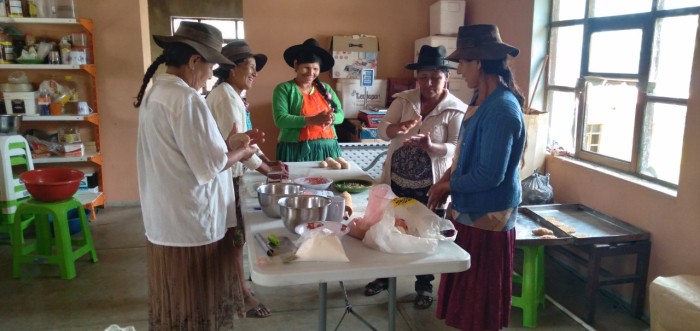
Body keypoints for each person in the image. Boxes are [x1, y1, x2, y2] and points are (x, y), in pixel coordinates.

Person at [133, 21, 264, 330]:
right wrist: (240, 154)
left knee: (178, 301)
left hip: (168, 214)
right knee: (196, 299)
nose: (210, 75)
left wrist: (229, 144)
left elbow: (191, 152)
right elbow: (209, 166)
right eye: (209, 66)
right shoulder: (186, 99)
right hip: (191, 218)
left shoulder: (158, 93)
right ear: (194, 61)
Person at [426, 24, 526, 331]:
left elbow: (489, 175)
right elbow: (462, 151)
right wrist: (446, 176)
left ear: (478, 62)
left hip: (489, 213)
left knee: (479, 301)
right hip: (470, 207)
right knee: (466, 292)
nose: (460, 72)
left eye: (462, 64)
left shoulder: (502, 110)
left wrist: (447, 185)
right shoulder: (478, 99)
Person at [363, 45, 467, 310]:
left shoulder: (456, 109)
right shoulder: (404, 100)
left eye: (435, 78)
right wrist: (396, 128)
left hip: (431, 186)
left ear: (447, 78)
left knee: (426, 233)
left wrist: (433, 148)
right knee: (389, 226)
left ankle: (424, 286)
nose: (428, 83)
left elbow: (456, 146)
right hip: (398, 182)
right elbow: (383, 130)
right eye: (423, 78)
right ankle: (385, 277)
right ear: (416, 78)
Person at [206, 40, 287, 318]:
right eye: (250, 67)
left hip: (232, 179)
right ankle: (240, 293)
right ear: (231, 69)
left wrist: (267, 160)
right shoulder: (225, 97)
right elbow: (237, 146)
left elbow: (247, 136)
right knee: (233, 238)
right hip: (224, 179)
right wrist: (266, 170)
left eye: (255, 68)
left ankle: (236, 285)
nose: (254, 73)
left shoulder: (233, 96)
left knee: (236, 236)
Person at [272, 38, 344, 162]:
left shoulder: (326, 89)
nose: (311, 73)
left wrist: (331, 118)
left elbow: (341, 115)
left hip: (328, 151)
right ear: (296, 65)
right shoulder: (284, 89)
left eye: (315, 69)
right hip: (295, 149)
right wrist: (312, 120)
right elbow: (280, 119)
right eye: (306, 67)